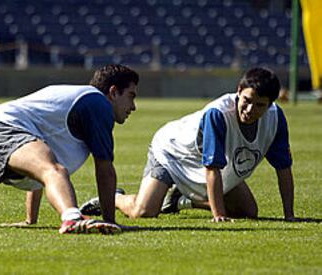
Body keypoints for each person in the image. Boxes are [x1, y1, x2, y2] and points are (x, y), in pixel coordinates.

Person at [0, 64, 139, 234]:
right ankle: (71, 218)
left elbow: (37, 160)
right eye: (131, 96)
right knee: (55, 170)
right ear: (112, 92)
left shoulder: (80, 103)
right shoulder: (98, 104)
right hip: (0, 130)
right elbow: (105, 169)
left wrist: (31, 219)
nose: (133, 107)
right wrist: (110, 221)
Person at [80, 67, 296, 222]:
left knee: (247, 212)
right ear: (239, 90)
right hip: (172, 152)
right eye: (247, 101)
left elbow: (283, 167)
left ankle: (179, 200)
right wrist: (218, 216)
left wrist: (289, 216)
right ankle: (115, 197)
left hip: (208, 162)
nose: (249, 110)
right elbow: (212, 169)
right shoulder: (218, 114)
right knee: (143, 211)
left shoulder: (276, 119)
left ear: (270, 105)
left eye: (259, 105)